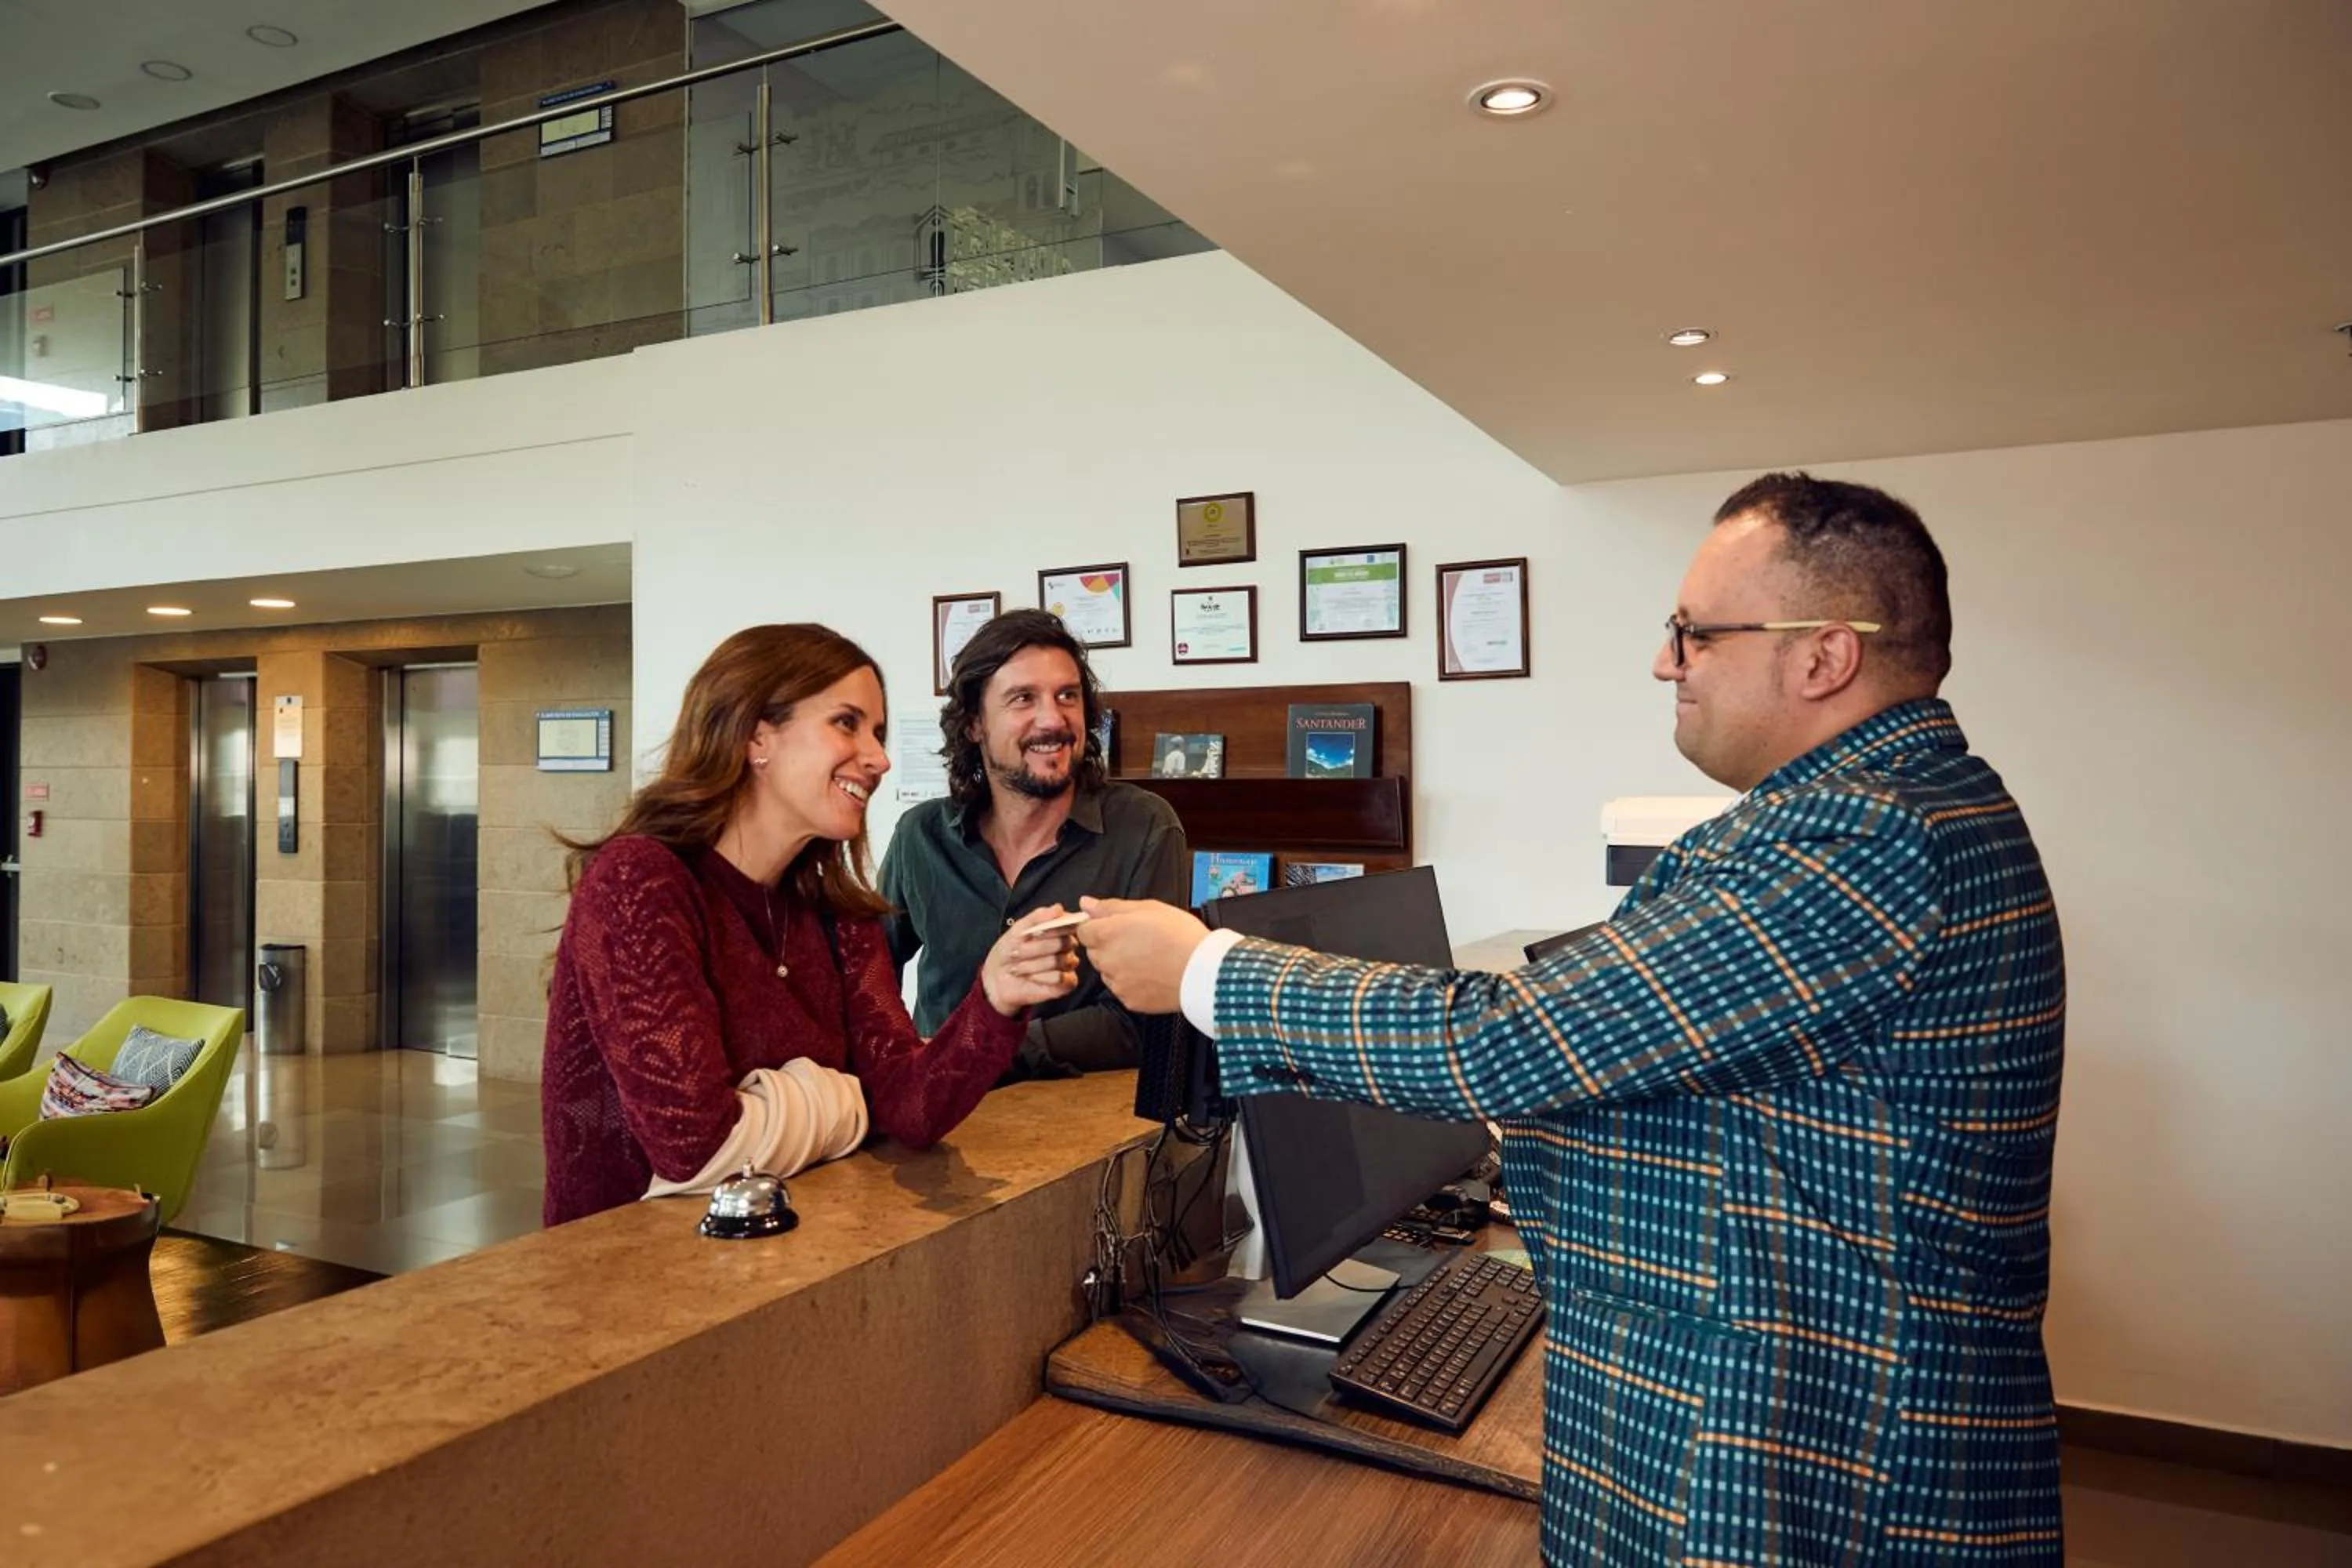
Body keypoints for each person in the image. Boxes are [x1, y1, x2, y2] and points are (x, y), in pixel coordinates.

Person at [1080, 474, 2067, 1566]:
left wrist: (1208, 970)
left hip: (1817, 1464)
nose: (1665, 662)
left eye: (1693, 634)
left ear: (1823, 656)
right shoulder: (1898, 809)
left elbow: (1501, 1040)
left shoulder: (1867, 836)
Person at [541, 623, 1080, 1227]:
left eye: (876, 732)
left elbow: (907, 1107)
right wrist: (846, 1101)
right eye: (847, 723)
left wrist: (996, 998)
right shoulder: (639, 883)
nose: (879, 758)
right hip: (630, 1275)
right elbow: (693, 1144)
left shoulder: (837, 912)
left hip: (785, 1260)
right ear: (755, 736)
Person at [880, 609, 1188, 1081]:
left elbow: (1145, 1019)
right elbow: (867, 982)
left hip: (1082, 1130)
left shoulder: (1143, 828)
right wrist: (900, 1063)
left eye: (1067, 695)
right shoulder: (920, 837)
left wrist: (978, 1051)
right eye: (1023, 698)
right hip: (937, 1122)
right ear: (974, 724)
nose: (1053, 719)